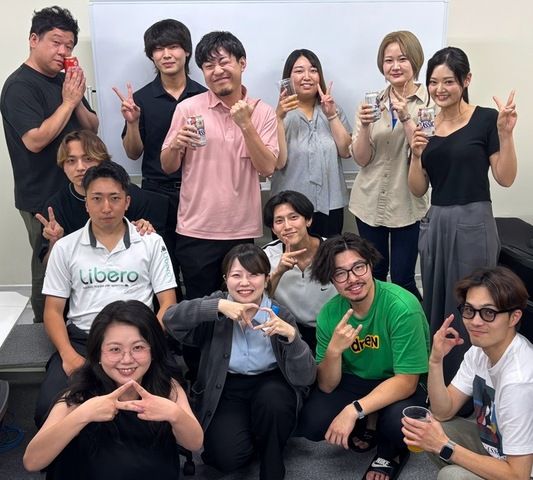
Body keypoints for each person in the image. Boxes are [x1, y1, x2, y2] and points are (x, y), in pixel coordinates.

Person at [35, 161, 177, 427]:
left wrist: (148, 344)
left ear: (127, 201)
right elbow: (52, 311)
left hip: (139, 339)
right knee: (48, 410)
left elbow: (168, 302)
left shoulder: (151, 242)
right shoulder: (65, 247)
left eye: (114, 198)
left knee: (165, 409)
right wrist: (68, 355)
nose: (106, 207)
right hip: (84, 341)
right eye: (97, 199)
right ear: (86, 204)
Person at [408, 46, 518, 383]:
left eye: (449, 81)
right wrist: (416, 154)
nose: (439, 89)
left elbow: (505, 177)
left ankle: (471, 383)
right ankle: (438, 380)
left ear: (466, 80)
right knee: (436, 300)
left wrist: (505, 134)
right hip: (437, 221)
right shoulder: (426, 122)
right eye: (433, 82)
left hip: (474, 220)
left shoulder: (485, 119)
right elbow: (417, 188)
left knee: (474, 304)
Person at [163, 244, 316, 480]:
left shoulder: (280, 313)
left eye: (253, 274)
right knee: (225, 458)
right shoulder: (217, 305)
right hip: (226, 387)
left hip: (270, 384)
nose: (245, 282)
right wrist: (217, 306)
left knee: (273, 401)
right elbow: (170, 319)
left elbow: (307, 377)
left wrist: (292, 338)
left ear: (266, 279)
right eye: (236, 275)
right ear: (226, 280)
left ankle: (272, 458)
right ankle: (257, 433)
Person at [299, 232, 429, 480]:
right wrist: (334, 351)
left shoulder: (402, 307)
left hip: (397, 380)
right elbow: (326, 386)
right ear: (331, 279)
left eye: (359, 267)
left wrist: (353, 410)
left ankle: (390, 451)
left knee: (399, 424)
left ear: (370, 265)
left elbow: (407, 381)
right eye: (340, 273)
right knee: (312, 421)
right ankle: (370, 417)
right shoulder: (329, 314)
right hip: (356, 379)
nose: (352, 279)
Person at [24, 300, 203, 479]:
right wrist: (82, 415)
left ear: (153, 351)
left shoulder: (167, 387)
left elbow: (194, 444)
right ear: (98, 353)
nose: (127, 359)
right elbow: (32, 461)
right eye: (115, 349)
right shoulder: (80, 392)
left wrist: (174, 414)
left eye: (138, 347)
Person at [160, 31, 278, 300]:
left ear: (242, 63)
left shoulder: (262, 111)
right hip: (195, 229)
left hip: (241, 229)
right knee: (201, 309)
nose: (217, 71)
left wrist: (246, 125)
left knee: (241, 306)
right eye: (208, 65)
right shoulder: (188, 109)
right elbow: (167, 166)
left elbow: (267, 167)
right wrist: (176, 145)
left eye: (224, 62)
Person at [0, 6, 98, 323]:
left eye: (69, 45)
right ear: (34, 39)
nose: (63, 51)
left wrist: (76, 98)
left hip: (77, 190)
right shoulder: (19, 86)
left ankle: (78, 325)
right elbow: (35, 140)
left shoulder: (64, 81)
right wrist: (68, 102)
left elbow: (92, 128)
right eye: (56, 42)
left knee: (80, 263)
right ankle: (43, 331)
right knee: (49, 266)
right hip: (41, 194)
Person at [402, 267, 533, 480]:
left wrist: (445, 446)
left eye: (489, 313)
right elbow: (443, 411)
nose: (475, 321)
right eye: (469, 310)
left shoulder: (519, 381)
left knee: (452, 475)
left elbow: (518, 475)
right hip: (498, 448)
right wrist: (435, 360)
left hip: (522, 470)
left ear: (514, 317)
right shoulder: (479, 351)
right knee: (430, 427)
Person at [113, 19, 207, 298]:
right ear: (151, 55)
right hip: (156, 194)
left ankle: (198, 322)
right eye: (158, 49)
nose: (166, 54)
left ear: (186, 51)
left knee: (198, 268)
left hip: (198, 193)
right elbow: (133, 153)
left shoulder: (205, 96)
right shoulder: (141, 99)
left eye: (173, 47)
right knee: (161, 270)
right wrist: (132, 122)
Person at [350, 31, 430, 300]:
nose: (395, 66)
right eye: (388, 60)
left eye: (402, 59)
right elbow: (362, 159)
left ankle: (415, 325)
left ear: (415, 61)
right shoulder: (372, 103)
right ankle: (379, 325)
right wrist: (364, 127)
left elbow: (425, 151)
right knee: (374, 276)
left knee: (403, 279)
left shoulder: (429, 103)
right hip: (368, 201)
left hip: (407, 203)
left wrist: (405, 117)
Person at [36, 130, 156, 261]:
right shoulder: (55, 206)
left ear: (102, 161)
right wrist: (55, 242)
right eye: (71, 161)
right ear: (63, 166)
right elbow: (48, 265)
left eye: (88, 159)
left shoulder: (133, 195)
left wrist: (145, 231)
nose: (80, 167)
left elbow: (156, 253)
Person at [270, 49, 351, 237]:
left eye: (313, 70)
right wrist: (278, 118)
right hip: (289, 210)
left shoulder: (333, 109)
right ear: (288, 78)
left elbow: (346, 151)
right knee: (291, 255)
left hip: (330, 205)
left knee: (328, 253)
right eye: (299, 71)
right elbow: (278, 162)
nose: (307, 76)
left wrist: (332, 116)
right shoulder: (277, 115)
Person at [262, 190, 337, 352]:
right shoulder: (266, 256)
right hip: (289, 330)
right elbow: (258, 301)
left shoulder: (334, 251)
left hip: (333, 328)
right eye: (279, 221)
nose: (287, 226)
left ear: (308, 220)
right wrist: (278, 272)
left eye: (293, 217)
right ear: (273, 229)